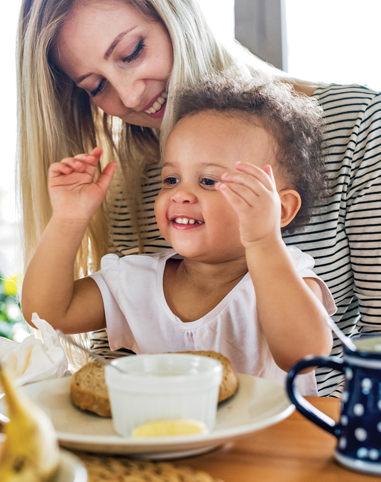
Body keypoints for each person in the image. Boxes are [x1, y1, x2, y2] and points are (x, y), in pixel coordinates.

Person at [16, 0, 381, 396]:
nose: (128, 95)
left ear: (176, 11)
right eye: (96, 86)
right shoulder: (130, 179)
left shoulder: (359, 123)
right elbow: (102, 351)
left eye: (131, 52)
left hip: (314, 441)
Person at [22, 74, 336, 394]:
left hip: (266, 444)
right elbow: (45, 314)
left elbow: (305, 356)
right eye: (171, 179)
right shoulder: (136, 281)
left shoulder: (287, 280)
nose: (181, 195)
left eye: (209, 181)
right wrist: (68, 219)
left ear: (280, 210)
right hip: (161, 440)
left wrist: (263, 242)